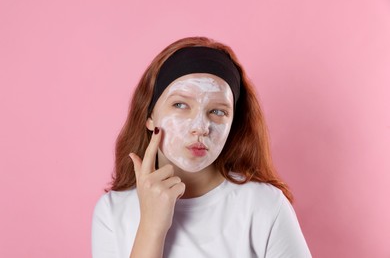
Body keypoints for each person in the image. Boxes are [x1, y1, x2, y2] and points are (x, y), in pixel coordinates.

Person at [92, 36, 311, 258]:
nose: (200, 127)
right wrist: (151, 227)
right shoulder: (112, 211)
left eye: (218, 111)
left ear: (232, 124)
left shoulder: (265, 205)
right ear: (149, 116)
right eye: (180, 105)